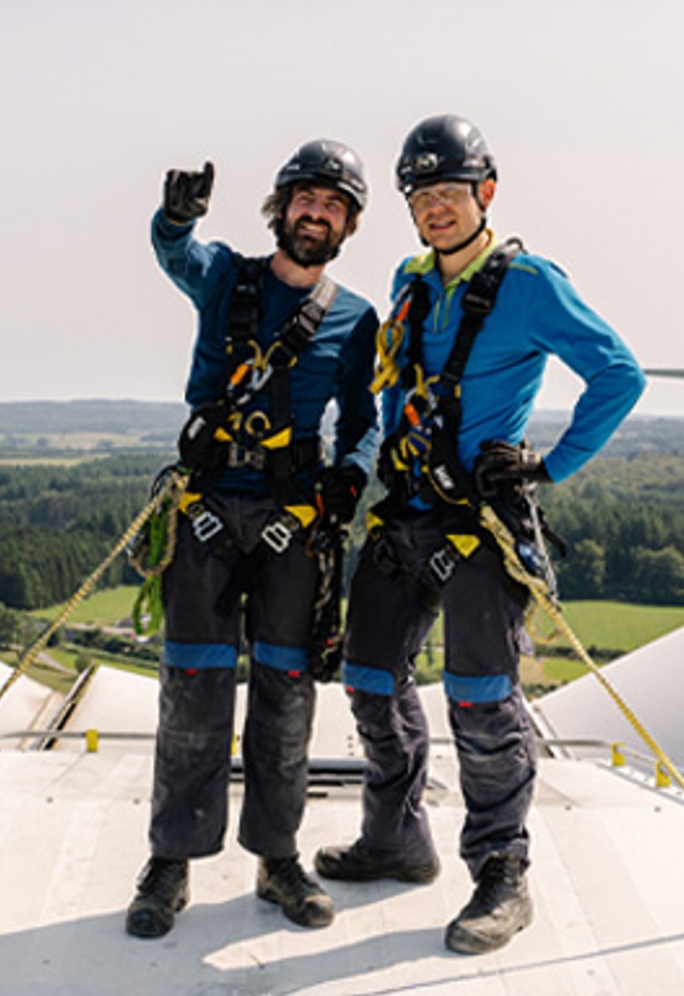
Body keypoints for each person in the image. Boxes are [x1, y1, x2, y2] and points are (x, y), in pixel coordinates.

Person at [315, 114, 642, 956]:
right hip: (409, 514)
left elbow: (618, 372)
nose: (435, 208)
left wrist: (548, 466)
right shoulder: (411, 280)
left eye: (449, 193)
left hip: (482, 524)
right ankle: (397, 838)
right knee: (367, 678)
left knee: (481, 702)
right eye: (421, 196)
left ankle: (503, 872)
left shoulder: (530, 284)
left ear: (485, 193)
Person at [126, 139, 382, 940]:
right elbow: (177, 253)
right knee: (193, 694)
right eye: (306, 201)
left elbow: (365, 421)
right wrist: (174, 217)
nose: (317, 215)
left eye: (334, 206)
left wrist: (352, 474)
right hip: (205, 515)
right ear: (282, 208)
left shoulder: (354, 318)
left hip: (292, 526)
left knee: (285, 697)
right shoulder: (227, 279)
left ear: (348, 225)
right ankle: (171, 862)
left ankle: (277, 859)